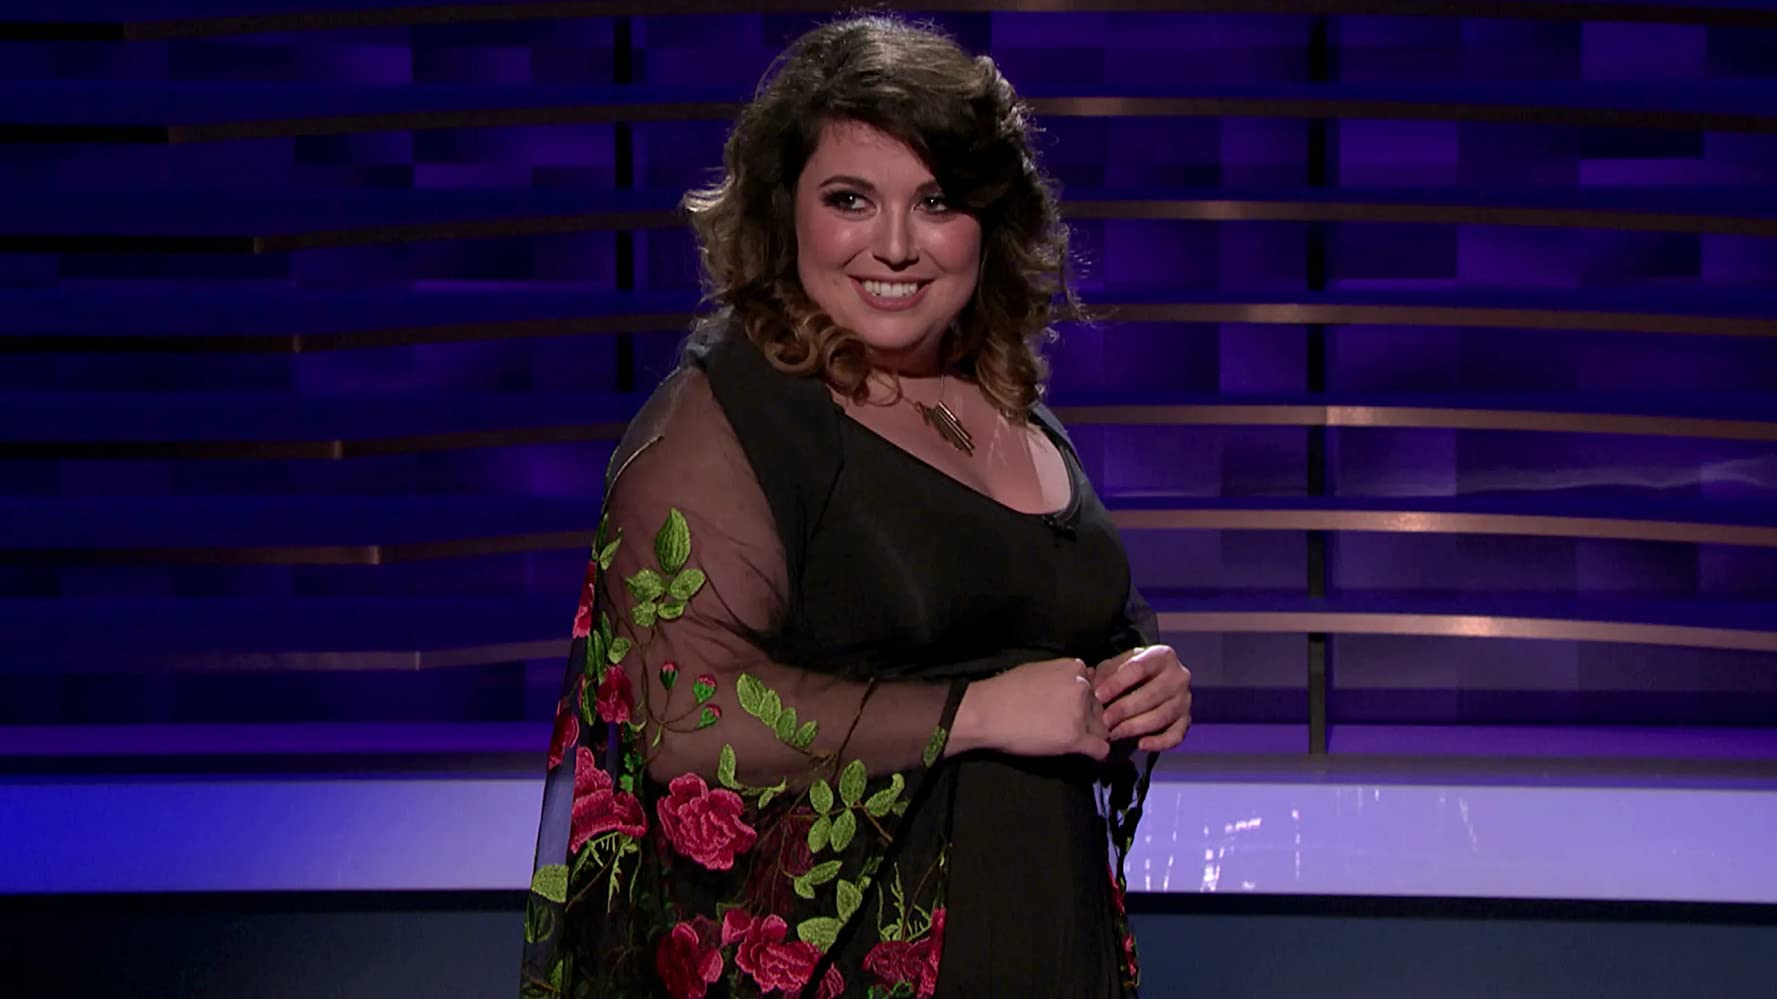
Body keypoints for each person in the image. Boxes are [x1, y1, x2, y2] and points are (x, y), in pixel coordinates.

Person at [521, 15, 1192, 998]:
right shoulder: (725, 419)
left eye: (936, 201)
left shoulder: (1001, 396)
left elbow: (1049, 625)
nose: (895, 245)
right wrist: (970, 714)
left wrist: (1137, 684)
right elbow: (684, 721)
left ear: (990, 221)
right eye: (850, 199)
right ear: (783, 211)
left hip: (1048, 933)